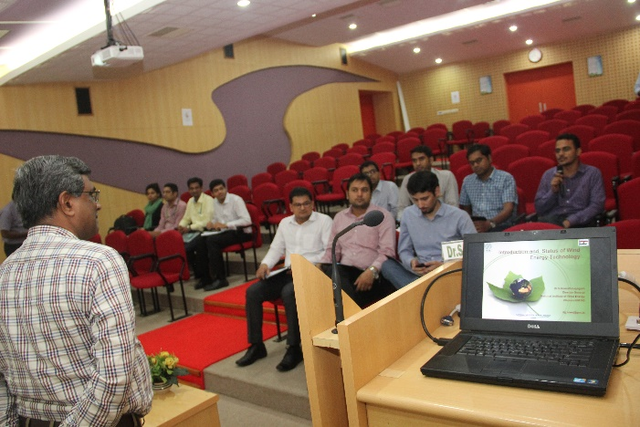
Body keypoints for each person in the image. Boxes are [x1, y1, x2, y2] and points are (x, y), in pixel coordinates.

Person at [0, 155, 152, 426]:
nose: (98, 203)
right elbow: (113, 379)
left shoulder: (4, 273)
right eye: (91, 195)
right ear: (67, 203)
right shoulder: (99, 261)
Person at [236, 187, 332, 371]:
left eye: (306, 204)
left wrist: (305, 264)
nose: (302, 208)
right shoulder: (285, 223)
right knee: (253, 292)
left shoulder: (324, 221)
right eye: (298, 205)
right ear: (290, 207)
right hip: (287, 272)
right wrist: (265, 264)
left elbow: (328, 251)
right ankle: (256, 345)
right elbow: (276, 248)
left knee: (288, 293)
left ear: (312, 204)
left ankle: (294, 347)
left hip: (311, 272)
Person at [381, 171, 476, 289]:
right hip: (421, 274)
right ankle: (422, 289)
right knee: (387, 266)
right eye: (415, 200)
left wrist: (444, 266)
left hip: (450, 273)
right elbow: (404, 250)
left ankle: (420, 291)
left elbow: (474, 253)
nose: (420, 205)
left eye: (425, 199)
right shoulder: (408, 215)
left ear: (437, 191)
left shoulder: (459, 216)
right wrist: (411, 262)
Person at [318, 173, 396, 308]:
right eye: (355, 190)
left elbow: (387, 252)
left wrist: (372, 271)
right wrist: (319, 266)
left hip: (371, 275)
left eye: (364, 190)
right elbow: (332, 250)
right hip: (345, 274)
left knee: (336, 289)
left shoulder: (383, 216)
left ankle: (346, 314)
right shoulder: (340, 217)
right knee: (330, 273)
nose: (359, 194)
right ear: (347, 194)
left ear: (371, 194)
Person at [534, 133, 606, 228]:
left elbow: (597, 206)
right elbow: (539, 209)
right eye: (557, 151)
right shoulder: (548, 175)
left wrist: (570, 221)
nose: (561, 154)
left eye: (566, 149)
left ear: (578, 151)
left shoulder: (592, 173)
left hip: (581, 223)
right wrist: (553, 192)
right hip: (553, 223)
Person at [199, 179, 252, 291]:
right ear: (212, 194)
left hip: (242, 232)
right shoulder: (214, 203)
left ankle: (221, 279)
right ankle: (206, 278)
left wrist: (226, 225)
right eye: (216, 190)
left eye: (221, 189)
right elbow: (216, 219)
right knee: (201, 240)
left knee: (212, 241)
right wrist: (211, 224)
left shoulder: (236, 200)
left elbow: (247, 221)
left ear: (226, 189)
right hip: (225, 232)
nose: (220, 192)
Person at [459, 144, 518, 232]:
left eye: (479, 160)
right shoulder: (467, 181)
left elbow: (508, 209)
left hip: (501, 226)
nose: (475, 165)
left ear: (489, 158)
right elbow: (465, 209)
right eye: (472, 163)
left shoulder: (505, 178)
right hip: (477, 228)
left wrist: (490, 224)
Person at [397, 145, 458, 221]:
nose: (418, 163)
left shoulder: (446, 176)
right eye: (414, 161)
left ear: (431, 160)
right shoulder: (407, 179)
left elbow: (453, 205)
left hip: (445, 220)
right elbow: (402, 208)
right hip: (417, 221)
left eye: (421, 159)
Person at [177, 177, 215, 288]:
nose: (194, 190)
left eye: (196, 188)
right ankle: (198, 274)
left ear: (201, 188)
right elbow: (186, 218)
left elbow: (207, 221)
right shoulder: (190, 201)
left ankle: (204, 276)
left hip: (205, 231)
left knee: (189, 248)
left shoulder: (208, 200)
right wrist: (181, 226)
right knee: (180, 246)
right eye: (191, 188)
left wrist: (189, 227)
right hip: (192, 231)